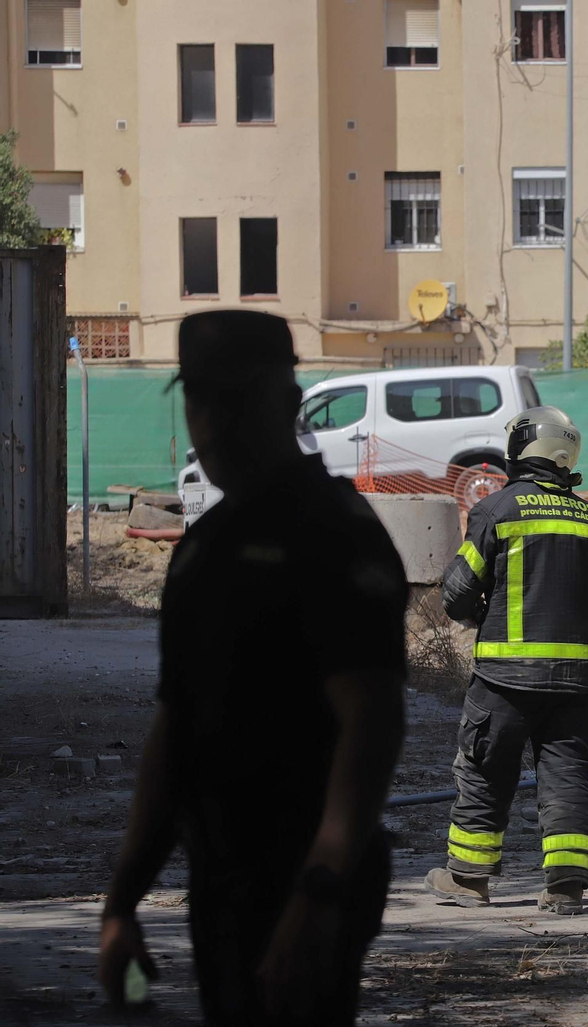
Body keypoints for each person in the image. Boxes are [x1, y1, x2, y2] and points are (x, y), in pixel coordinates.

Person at [97, 311, 409, 1025]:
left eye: (237, 398)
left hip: (308, 879)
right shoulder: (202, 550)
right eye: (201, 398)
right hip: (222, 878)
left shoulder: (335, 534)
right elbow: (173, 728)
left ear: (285, 400)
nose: (214, 421)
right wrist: (121, 904)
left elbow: (371, 722)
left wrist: (318, 893)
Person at [424, 407, 588, 914]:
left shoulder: (497, 510)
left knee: (485, 771)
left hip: (504, 679)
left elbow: (456, 592)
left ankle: (469, 881)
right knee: (565, 776)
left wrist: (483, 609)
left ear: (519, 450)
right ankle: (566, 886)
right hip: (577, 683)